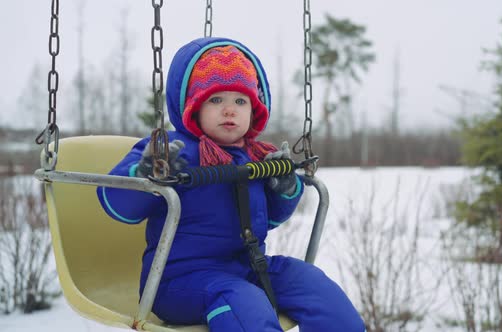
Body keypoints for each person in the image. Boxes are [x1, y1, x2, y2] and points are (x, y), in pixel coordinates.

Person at [97, 37, 365, 331]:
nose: (229, 110)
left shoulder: (256, 156)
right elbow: (118, 205)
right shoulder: (171, 149)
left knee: (313, 285)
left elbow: (270, 218)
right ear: (193, 106)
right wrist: (146, 171)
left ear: (254, 110)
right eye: (216, 99)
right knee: (241, 300)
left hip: (249, 267)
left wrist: (285, 189)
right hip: (181, 281)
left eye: (240, 101)